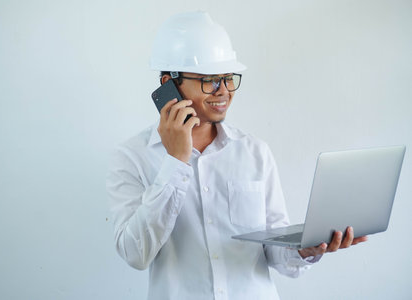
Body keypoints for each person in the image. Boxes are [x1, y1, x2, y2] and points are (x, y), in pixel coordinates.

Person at [107, 11, 367, 300]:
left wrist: (306, 248)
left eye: (228, 78)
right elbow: (135, 254)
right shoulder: (131, 157)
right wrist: (175, 162)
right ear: (170, 83)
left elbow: (274, 248)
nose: (224, 92)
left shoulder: (254, 152)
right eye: (210, 80)